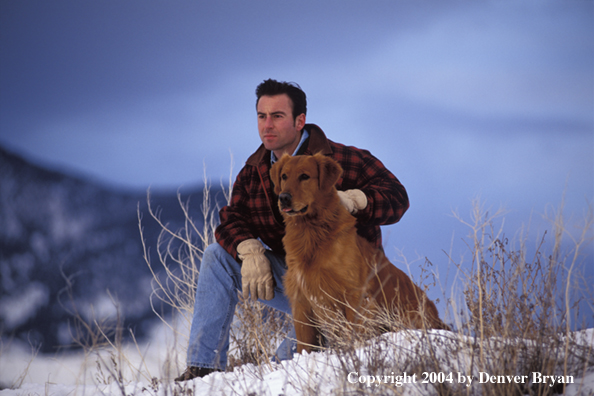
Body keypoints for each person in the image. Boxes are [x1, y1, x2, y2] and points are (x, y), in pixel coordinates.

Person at [175, 79, 409, 381]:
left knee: (284, 371)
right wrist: (249, 249)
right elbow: (232, 217)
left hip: (346, 287)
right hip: (295, 278)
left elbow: (398, 198)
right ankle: (202, 370)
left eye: (277, 116)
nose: (266, 125)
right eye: (261, 116)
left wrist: (355, 200)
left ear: (300, 121)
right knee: (216, 256)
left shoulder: (344, 159)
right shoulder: (254, 171)